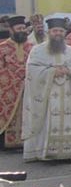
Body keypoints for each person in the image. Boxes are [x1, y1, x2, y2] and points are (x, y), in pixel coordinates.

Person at [22, 18, 71, 163]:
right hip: (47, 94)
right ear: (49, 32)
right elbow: (32, 70)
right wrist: (51, 72)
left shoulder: (70, 51)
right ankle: (46, 153)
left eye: (61, 31)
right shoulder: (38, 50)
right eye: (55, 31)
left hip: (67, 94)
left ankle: (65, 154)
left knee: (67, 122)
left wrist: (68, 70)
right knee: (48, 122)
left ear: (65, 33)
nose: (58, 34)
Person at [0, 16, 33, 149]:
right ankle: (5, 143)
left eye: (23, 28)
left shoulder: (31, 47)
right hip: (7, 89)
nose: (22, 31)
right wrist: (15, 78)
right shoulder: (2, 47)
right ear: (11, 30)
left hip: (29, 87)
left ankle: (26, 142)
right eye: (19, 29)